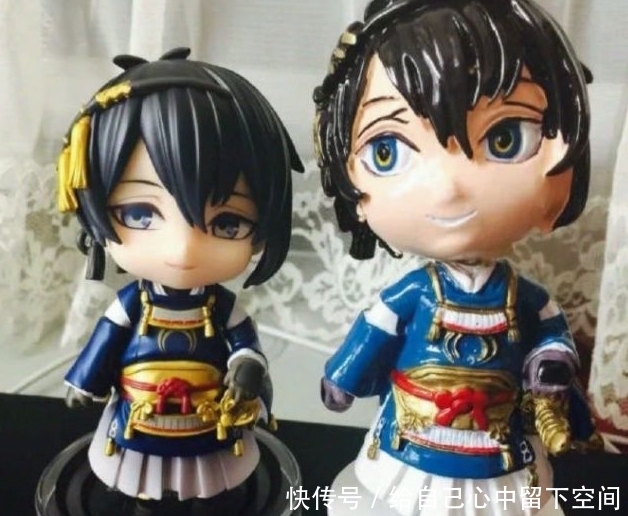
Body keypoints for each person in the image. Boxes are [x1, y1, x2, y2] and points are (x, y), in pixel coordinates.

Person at [313, 1, 599, 514]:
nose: (447, 188)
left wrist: (551, 362)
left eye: (504, 139)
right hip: (415, 435)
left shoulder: (527, 299)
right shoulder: (413, 292)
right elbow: (373, 333)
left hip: (498, 441)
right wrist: (343, 376)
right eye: (388, 150)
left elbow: (553, 335)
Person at [58, 47, 303, 515]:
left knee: (210, 485)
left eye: (227, 222)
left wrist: (247, 367)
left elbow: (245, 346)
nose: (184, 249)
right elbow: (105, 343)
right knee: (141, 484)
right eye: (139, 213)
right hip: (140, 416)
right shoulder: (131, 304)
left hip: (208, 420)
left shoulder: (223, 308)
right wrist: (85, 382)